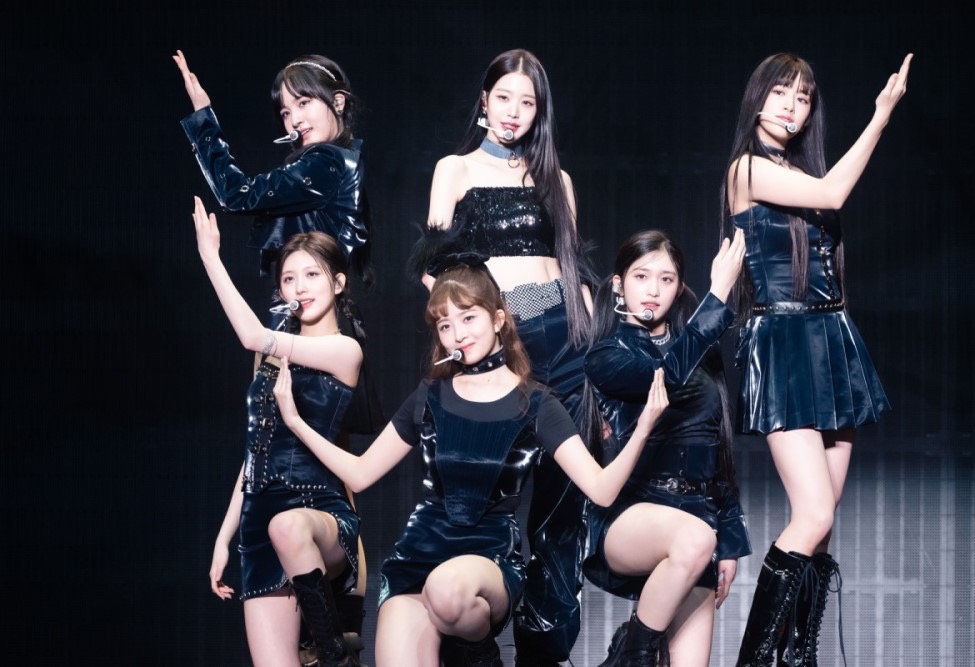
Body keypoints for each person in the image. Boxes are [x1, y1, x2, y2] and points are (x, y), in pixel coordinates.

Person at [271, 254, 668, 667]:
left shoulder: (537, 403)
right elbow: (359, 473)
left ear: (498, 319)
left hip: (487, 559)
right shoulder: (429, 396)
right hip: (419, 555)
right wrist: (296, 422)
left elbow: (601, 490)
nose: (457, 334)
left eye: (468, 318)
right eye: (445, 325)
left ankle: (483, 657)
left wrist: (643, 428)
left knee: (446, 590)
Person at [174, 51, 381, 654]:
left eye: (303, 103)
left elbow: (237, 192)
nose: (293, 120)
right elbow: (257, 447)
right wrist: (224, 535)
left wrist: (204, 120)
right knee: (288, 444)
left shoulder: (327, 161)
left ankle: (335, 634)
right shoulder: (326, 168)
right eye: (284, 112)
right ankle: (337, 623)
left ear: (338, 102)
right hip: (294, 330)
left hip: (316, 336)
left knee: (322, 471)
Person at [720, 52, 912, 667]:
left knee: (823, 525)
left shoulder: (794, 170)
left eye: (803, 98)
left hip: (831, 339)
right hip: (783, 343)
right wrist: (881, 116)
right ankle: (756, 660)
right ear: (758, 97)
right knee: (813, 512)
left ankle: (798, 656)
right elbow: (832, 192)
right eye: (781, 92)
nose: (791, 106)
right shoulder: (747, 168)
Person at [410, 48, 595, 666]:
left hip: (564, 335)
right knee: (480, 491)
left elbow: (573, 270)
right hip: (501, 336)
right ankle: (471, 639)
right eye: (505, 97)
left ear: (540, 112)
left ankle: (544, 651)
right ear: (484, 101)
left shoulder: (556, 180)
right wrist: (476, 329)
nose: (514, 112)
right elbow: (434, 274)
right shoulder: (455, 169)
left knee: (562, 505)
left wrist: (591, 333)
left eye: (528, 102)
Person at [190, 195, 364, 667]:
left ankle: (335, 657)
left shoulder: (344, 350)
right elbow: (256, 451)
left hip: (315, 512)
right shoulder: (268, 358)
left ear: (338, 283)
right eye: (288, 278)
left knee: (286, 525)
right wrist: (224, 537)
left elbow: (252, 333)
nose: (299, 287)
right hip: (258, 520)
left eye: (311, 275)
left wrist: (211, 259)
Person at [581, 229, 751, 667]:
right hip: (632, 515)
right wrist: (718, 295)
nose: (653, 290)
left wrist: (730, 540)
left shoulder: (701, 353)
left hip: (700, 518)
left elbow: (717, 445)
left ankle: (630, 651)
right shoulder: (606, 355)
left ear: (678, 288)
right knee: (695, 539)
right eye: (641, 276)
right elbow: (665, 377)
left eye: (666, 279)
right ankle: (630, 656)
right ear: (619, 284)